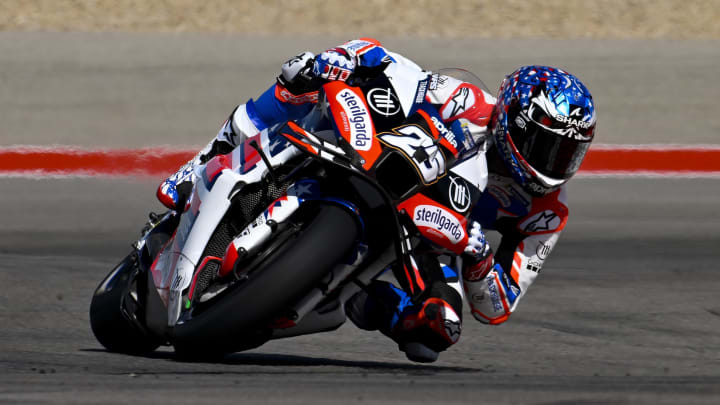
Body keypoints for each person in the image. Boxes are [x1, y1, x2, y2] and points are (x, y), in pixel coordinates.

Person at [156, 38, 596, 362]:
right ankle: (202, 164)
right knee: (299, 79)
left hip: (433, 236)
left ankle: (353, 299)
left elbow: (498, 306)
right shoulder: (467, 102)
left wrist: (479, 255)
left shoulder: (546, 212)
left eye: (567, 152)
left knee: (438, 330)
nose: (555, 164)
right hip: (378, 160)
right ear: (512, 122)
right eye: (544, 146)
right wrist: (343, 62)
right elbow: (392, 66)